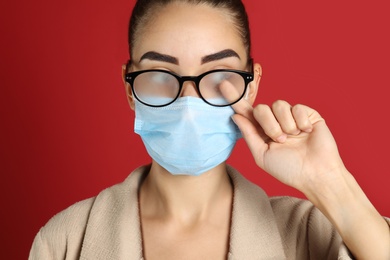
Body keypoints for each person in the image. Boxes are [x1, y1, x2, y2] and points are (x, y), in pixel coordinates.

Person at [29, 0, 390, 259]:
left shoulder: (310, 235)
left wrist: (330, 182)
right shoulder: (64, 241)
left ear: (250, 85)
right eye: (159, 74)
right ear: (129, 88)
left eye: (218, 74)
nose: (187, 101)